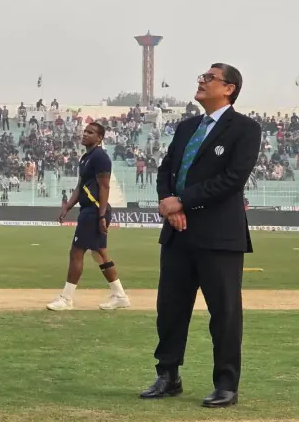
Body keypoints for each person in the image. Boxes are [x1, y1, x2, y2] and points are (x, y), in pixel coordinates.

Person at [140, 63, 260, 408]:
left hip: (219, 236)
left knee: (224, 314)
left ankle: (226, 384)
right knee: (170, 309)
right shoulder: (187, 127)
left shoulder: (246, 128)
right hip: (178, 234)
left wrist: (183, 201)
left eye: (210, 78)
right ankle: (168, 375)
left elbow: (232, 179)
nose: (202, 81)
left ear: (229, 88)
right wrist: (169, 204)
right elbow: (166, 169)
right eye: (201, 77)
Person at [47, 122, 130, 311]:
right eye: (85, 131)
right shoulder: (86, 158)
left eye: (90, 132)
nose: (85, 134)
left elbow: (105, 186)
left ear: (99, 138)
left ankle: (66, 299)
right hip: (90, 210)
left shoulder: (100, 157)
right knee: (99, 253)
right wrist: (67, 206)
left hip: (94, 211)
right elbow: (81, 185)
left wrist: (101, 216)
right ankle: (120, 296)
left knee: (76, 252)